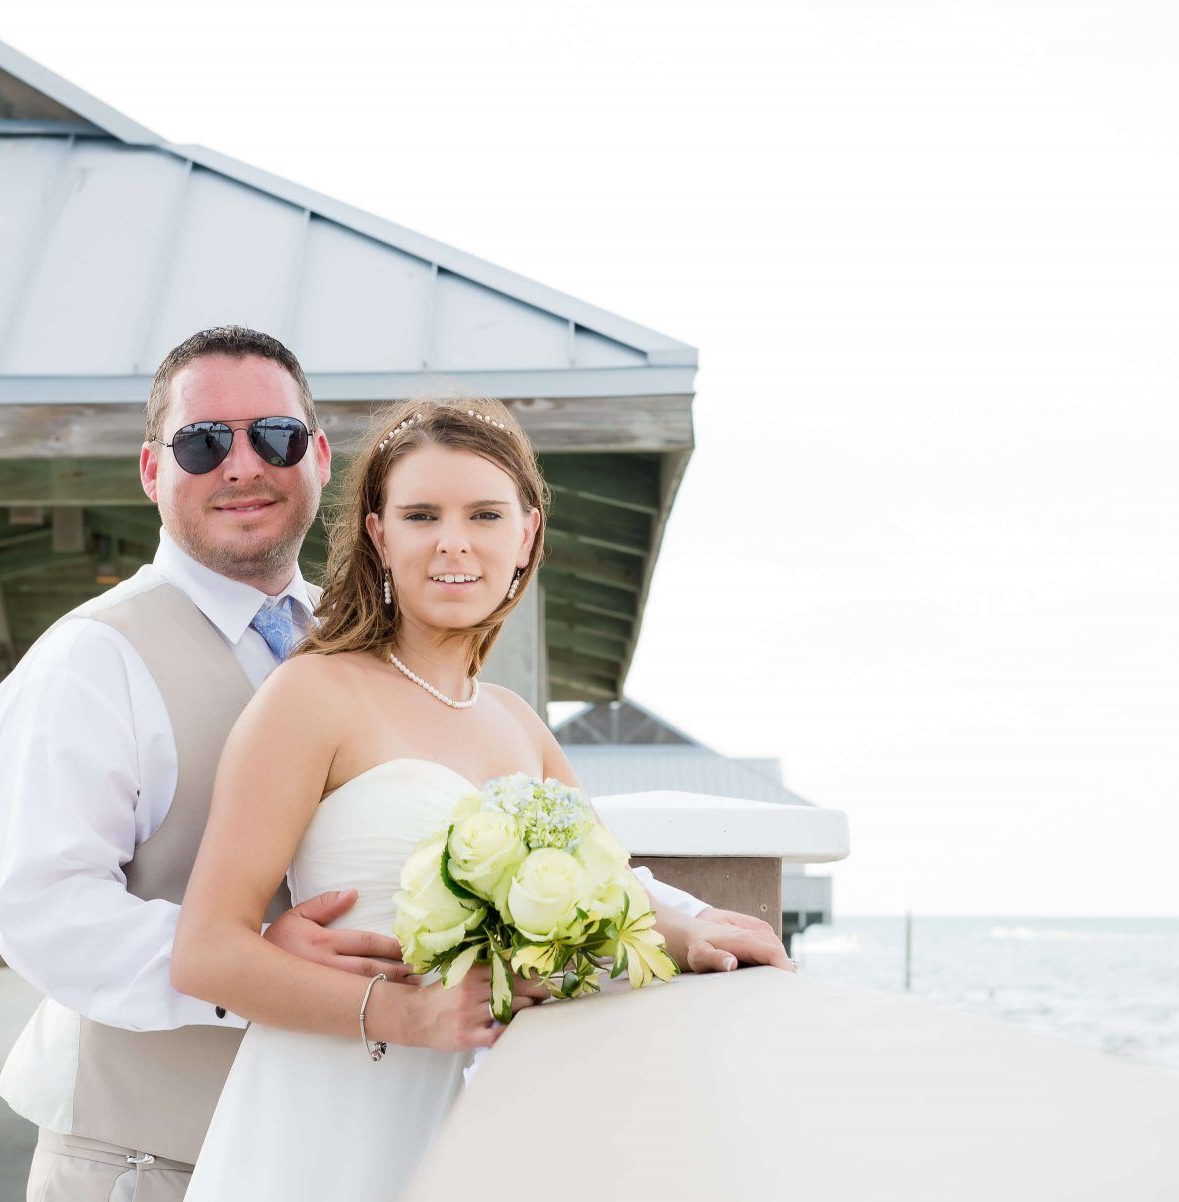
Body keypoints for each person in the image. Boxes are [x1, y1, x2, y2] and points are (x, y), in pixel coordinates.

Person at [0, 327, 766, 1202]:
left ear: (317, 457)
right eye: (204, 442)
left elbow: (545, 838)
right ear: (150, 471)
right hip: (143, 1154)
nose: (242, 465)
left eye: (274, 436)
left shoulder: (368, 650)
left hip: (397, 1131)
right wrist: (264, 969)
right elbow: (44, 913)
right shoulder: (91, 659)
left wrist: (690, 922)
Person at [170, 395, 795, 1202]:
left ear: (527, 532)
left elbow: (611, 902)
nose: (453, 543)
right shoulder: (312, 695)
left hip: (487, 1120)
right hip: (329, 1112)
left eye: (485, 514)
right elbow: (207, 953)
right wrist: (408, 1017)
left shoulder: (518, 724)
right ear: (378, 532)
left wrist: (693, 932)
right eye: (422, 514)